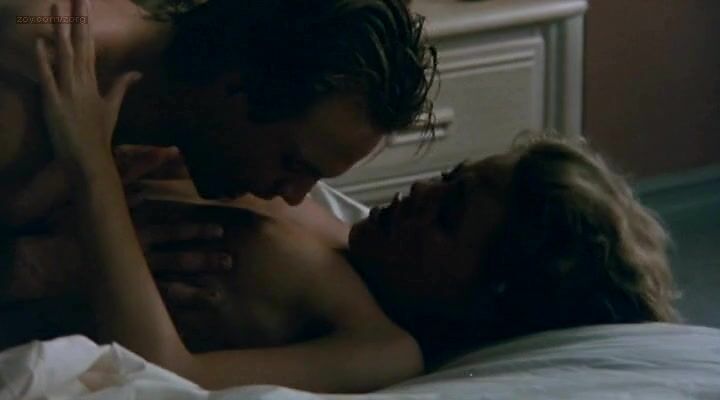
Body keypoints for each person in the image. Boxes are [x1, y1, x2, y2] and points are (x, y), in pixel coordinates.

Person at [30, 7, 680, 393]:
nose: (422, 192)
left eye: (449, 217)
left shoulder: (380, 346)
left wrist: (88, 167)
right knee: (42, 31)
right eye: (450, 177)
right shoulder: (332, 227)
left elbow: (167, 373)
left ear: (483, 295)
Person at [0, 0, 437, 227]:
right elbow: (22, 20)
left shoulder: (168, 132)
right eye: (291, 164)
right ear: (237, 82)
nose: (293, 195)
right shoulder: (35, 65)